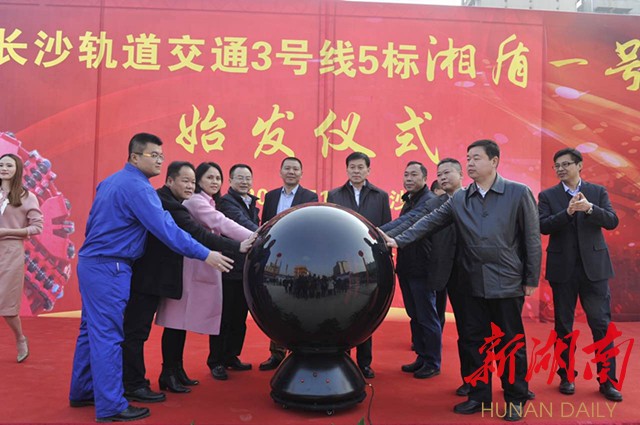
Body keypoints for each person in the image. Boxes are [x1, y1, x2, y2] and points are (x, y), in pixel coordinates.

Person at [68, 133, 233, 423]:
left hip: (92, 263)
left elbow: (92, 224)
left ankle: (83, 391)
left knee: (89, 332)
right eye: (153, 155)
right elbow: (167, 230)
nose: (159, 160)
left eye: (161, 155)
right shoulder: (139, 188)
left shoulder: (110, 182)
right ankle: (111, 406)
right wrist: (205, 254)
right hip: (112, 267)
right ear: (134, 157)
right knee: (109, 336)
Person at [382, 140, 541, 422]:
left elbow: (531, 238)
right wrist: (398, 240)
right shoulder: (459, 198)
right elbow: (429, 222)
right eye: (468, 158)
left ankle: (515, 397)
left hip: (506, 283)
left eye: (476, 158)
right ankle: (478, 395)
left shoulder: (518, 193)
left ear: (494, 161)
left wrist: (530, 278)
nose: (470, 163)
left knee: (509, 344)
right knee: (472, 342)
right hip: (470, 283)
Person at [122, 161, 251, 401]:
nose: (191, 186)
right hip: (155, 273)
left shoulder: (181, 202)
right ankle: (140, 382)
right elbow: (203, 231)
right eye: (188, 181)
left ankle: (172, 371)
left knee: (173, 325)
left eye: (217, 178)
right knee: (149, 329)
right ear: (170, 180)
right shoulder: (179, 204)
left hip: (169, 272)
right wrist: (244, 243)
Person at [156, 162, 254, 383]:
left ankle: (176, 371)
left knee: (180, 324)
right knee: (175, 323)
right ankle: (169, 372)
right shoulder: (195, 201)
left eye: (217, 178)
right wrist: (252, 238)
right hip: (188, 269)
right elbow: (220, 223)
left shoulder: (207, 201)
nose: (214, 182)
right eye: (209, 177)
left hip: (199, 266)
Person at [538, 148, 622, 402]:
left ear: (579, 165)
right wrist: (567, 213)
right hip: (563, 270)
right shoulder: (547, 195)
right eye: (557, 166)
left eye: (565, 164)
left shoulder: (597, 192)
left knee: (601, 324)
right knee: (563, 325)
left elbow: (612, 221)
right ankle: (566, 376)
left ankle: (607, 381)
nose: (560, 169)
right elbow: (542, 226)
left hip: (594, 269)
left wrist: (589, 208)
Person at [327, 151, 391, 379]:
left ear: (368, 170)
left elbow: (386, 228)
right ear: (347, 170)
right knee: (341, 309)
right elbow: (330, 228)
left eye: (360, 167)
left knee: (366, 311)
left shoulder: (380, 196)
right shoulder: (334, 195)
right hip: (343, 262)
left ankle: (364, 363)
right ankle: (342, 358)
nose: (356, 171)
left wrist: (386, 261)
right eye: (352, 167)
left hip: (369, 263)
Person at [380, 161, 441, 379]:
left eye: (414, 175)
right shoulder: (410, 200)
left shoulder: (430, 201)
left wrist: (375, 231)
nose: (408, 179)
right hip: (407, 266)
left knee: (427, 316)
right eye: (406, 174)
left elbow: (408, 224)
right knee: (414, 315)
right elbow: (401, 223)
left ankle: (433, 361)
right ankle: (422, 356)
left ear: (425, 178)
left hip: (422, 268)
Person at [259, 157, 318, 371]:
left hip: (299, 258)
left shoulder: (310, 197)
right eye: (287, 168)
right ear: (281, 171)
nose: (291, 172)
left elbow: (311, 227)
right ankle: (276, 353)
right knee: (276, 302)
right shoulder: (271, 196)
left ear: (301, 173)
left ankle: (298, 352)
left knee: (297, 303)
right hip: (275, 257)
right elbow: (265, 226)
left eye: (295, 169)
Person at [213, 163, 261, 380]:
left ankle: (232, 356)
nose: (244, 181)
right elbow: (242, 224)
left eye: (247, 178)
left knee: (239, 317)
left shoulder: (251, 202)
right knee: (224, 317)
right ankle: (216, 361)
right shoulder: (226, 202)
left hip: (245, 269)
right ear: (230, 180)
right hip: (229, 267)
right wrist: (268, 232)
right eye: (240, 178)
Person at [0, 153, 43, 363]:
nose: (4, 168)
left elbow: (37, 227)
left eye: (9, 165)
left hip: (11, 252)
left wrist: (7, 232)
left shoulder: (27, 197)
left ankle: (20, 338)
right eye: (1, 165)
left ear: (17, 169)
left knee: (7, 306)